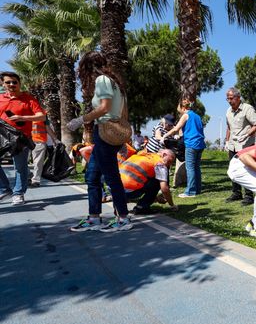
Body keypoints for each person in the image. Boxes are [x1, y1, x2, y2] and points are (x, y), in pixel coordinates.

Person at [66, 51, 131, 231]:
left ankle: (123, 218)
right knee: (92, 176)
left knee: (111, 177)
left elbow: (104, 108)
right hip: (112, 133)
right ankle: (94, 218)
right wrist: (122, 139)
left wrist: (80, 120)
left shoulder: (102, 80)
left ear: (87, 67)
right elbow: (121, 113)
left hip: (104, 132)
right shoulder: (116, 84)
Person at [0, 71, 46, 205]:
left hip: (21, 138)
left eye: (15, 82)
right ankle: (5, 189)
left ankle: (18, 193)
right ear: (2, 83)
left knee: (20, 167)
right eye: (8, 82)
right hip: (2, 137)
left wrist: (22, 118)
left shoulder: (28, 99)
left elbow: (41, 116)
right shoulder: (1, 98)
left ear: (19, 83)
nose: (12, 84)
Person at [161, 99, 206, 198]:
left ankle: (190, 192)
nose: (178, 111)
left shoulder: (186, 115)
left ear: (183, 108)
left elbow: (176, 128)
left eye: (179, 109)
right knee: (196, 167)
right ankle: (197, 189)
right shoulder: (197, 116)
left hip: (191, 144)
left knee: (190, 168)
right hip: (200, 144)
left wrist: (165, 136)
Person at [224, 87, 256, 205]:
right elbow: (229, 127)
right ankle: (236, 193)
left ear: (238, 97)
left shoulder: (247, 108)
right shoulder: (228, 111)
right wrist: (226, 141)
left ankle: (249, 196)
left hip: (245, 145)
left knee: (247, 169)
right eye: (227, 99)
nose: (229, 101)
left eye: (231, 98)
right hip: (232, 145)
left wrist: (246, 135)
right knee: (233, 169)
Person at [120, 149, 178, 215]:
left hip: (115, 190)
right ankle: (141, 208)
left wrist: (155, 198)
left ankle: (122, 201)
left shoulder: (145, 155)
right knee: (157, 182)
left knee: (150, 179)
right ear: (164, 155)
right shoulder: (160, 164)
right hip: (128, 192)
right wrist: (172, 205)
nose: (169, 165)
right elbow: (164, 189)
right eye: (170, 161)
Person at [30, 116, 59, 187]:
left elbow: (48, 127)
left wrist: (55, 139)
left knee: (38, 162)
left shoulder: (42, 114)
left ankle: (35, 180)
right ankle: (28, 175)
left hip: (39, 141)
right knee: (22, 162)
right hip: (25, 140)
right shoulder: (23, 111)